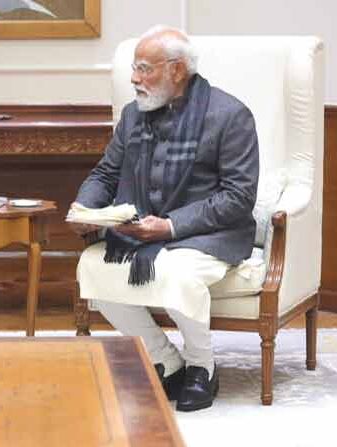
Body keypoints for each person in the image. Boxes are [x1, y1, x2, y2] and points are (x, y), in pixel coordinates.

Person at [72, 26, 258, 412]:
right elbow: (106, 174)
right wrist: (85, 210)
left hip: (208, 234)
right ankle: (166, 360)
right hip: (142, 231)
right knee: (93, 267)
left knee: (176, 273)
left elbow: (238, 197)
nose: (134, 78)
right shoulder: (132, 115)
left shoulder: (230, 116)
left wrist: (170, 225)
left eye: (144, 68)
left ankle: (201, 367)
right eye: (134, 68)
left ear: (177, 70)